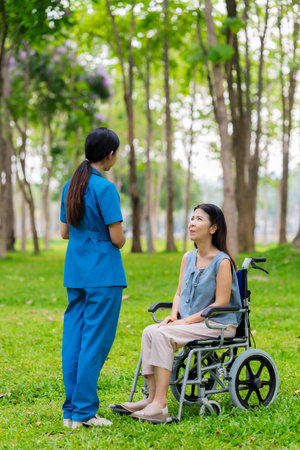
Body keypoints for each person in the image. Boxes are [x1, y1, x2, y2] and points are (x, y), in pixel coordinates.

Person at [120, 203, 241, 423]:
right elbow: (178, 292)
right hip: (190, 322)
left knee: (163, 335)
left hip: (218, 323)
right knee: (150, 331)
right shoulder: (187, 257)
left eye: (199, 219)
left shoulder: (222, 261)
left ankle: (160, 405)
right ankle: (150, 399)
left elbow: (220, 303)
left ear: (213, 228)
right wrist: (174, 316)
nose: (192, 223)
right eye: (192, 218)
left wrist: (184, 323)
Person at [60, 127, 127, 429]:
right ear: (110, 154)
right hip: (103, 274)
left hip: (75, 273)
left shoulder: (70, 185)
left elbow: (64, 232)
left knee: (74, 339)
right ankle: (85, 412)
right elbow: (117, 239)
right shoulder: (105, 188)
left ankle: (71, 412)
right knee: (95, 342)